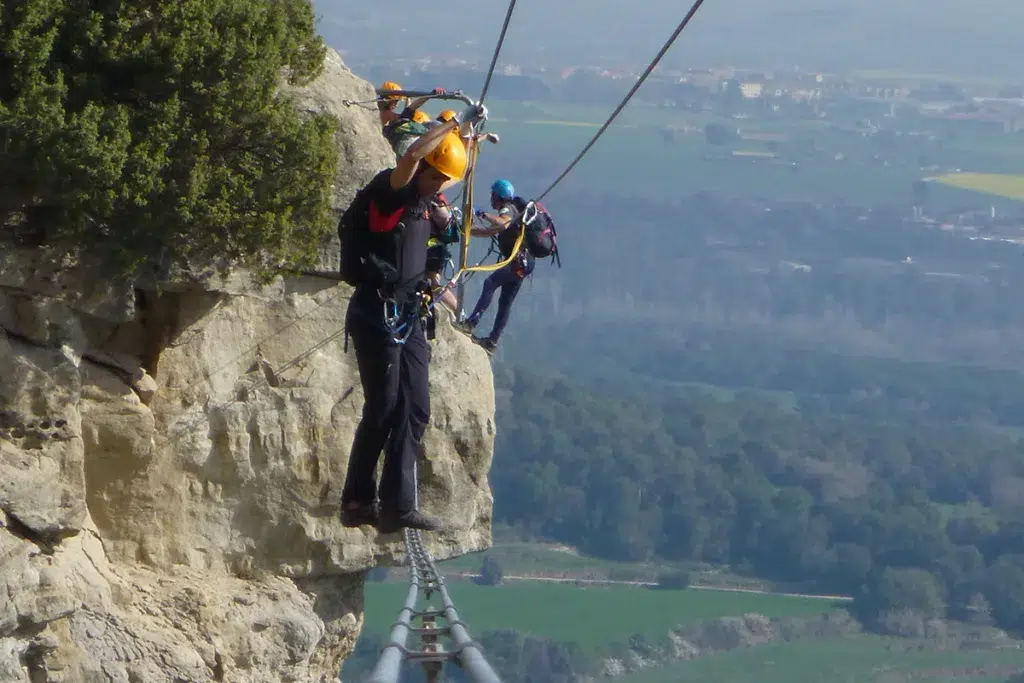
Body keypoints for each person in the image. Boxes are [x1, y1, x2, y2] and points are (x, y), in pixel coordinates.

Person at [340, 103, 487, 534]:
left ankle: (398, 505)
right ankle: (357, 500)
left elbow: (432, 245)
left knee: (416, 409)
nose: (440, 185)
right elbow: (408, 159)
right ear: (423, 167)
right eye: (437, 176)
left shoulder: (425, 204)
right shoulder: (392, 190)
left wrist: (434, 272)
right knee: (383, 407)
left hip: (407, 313)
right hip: (376, 312)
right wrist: (453, 124)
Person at [455, 179, 533, 353]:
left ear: (499, 196)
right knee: (505, 301)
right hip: (524, 262)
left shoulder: (508, 209)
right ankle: (492, 341)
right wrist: (465, 230)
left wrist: (481, 214)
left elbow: (502, 223)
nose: (491, 198)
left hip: (517, 260)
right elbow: (490, 231)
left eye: (493, 195)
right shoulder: (513, 211)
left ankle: (471, 323)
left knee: (490, 283)